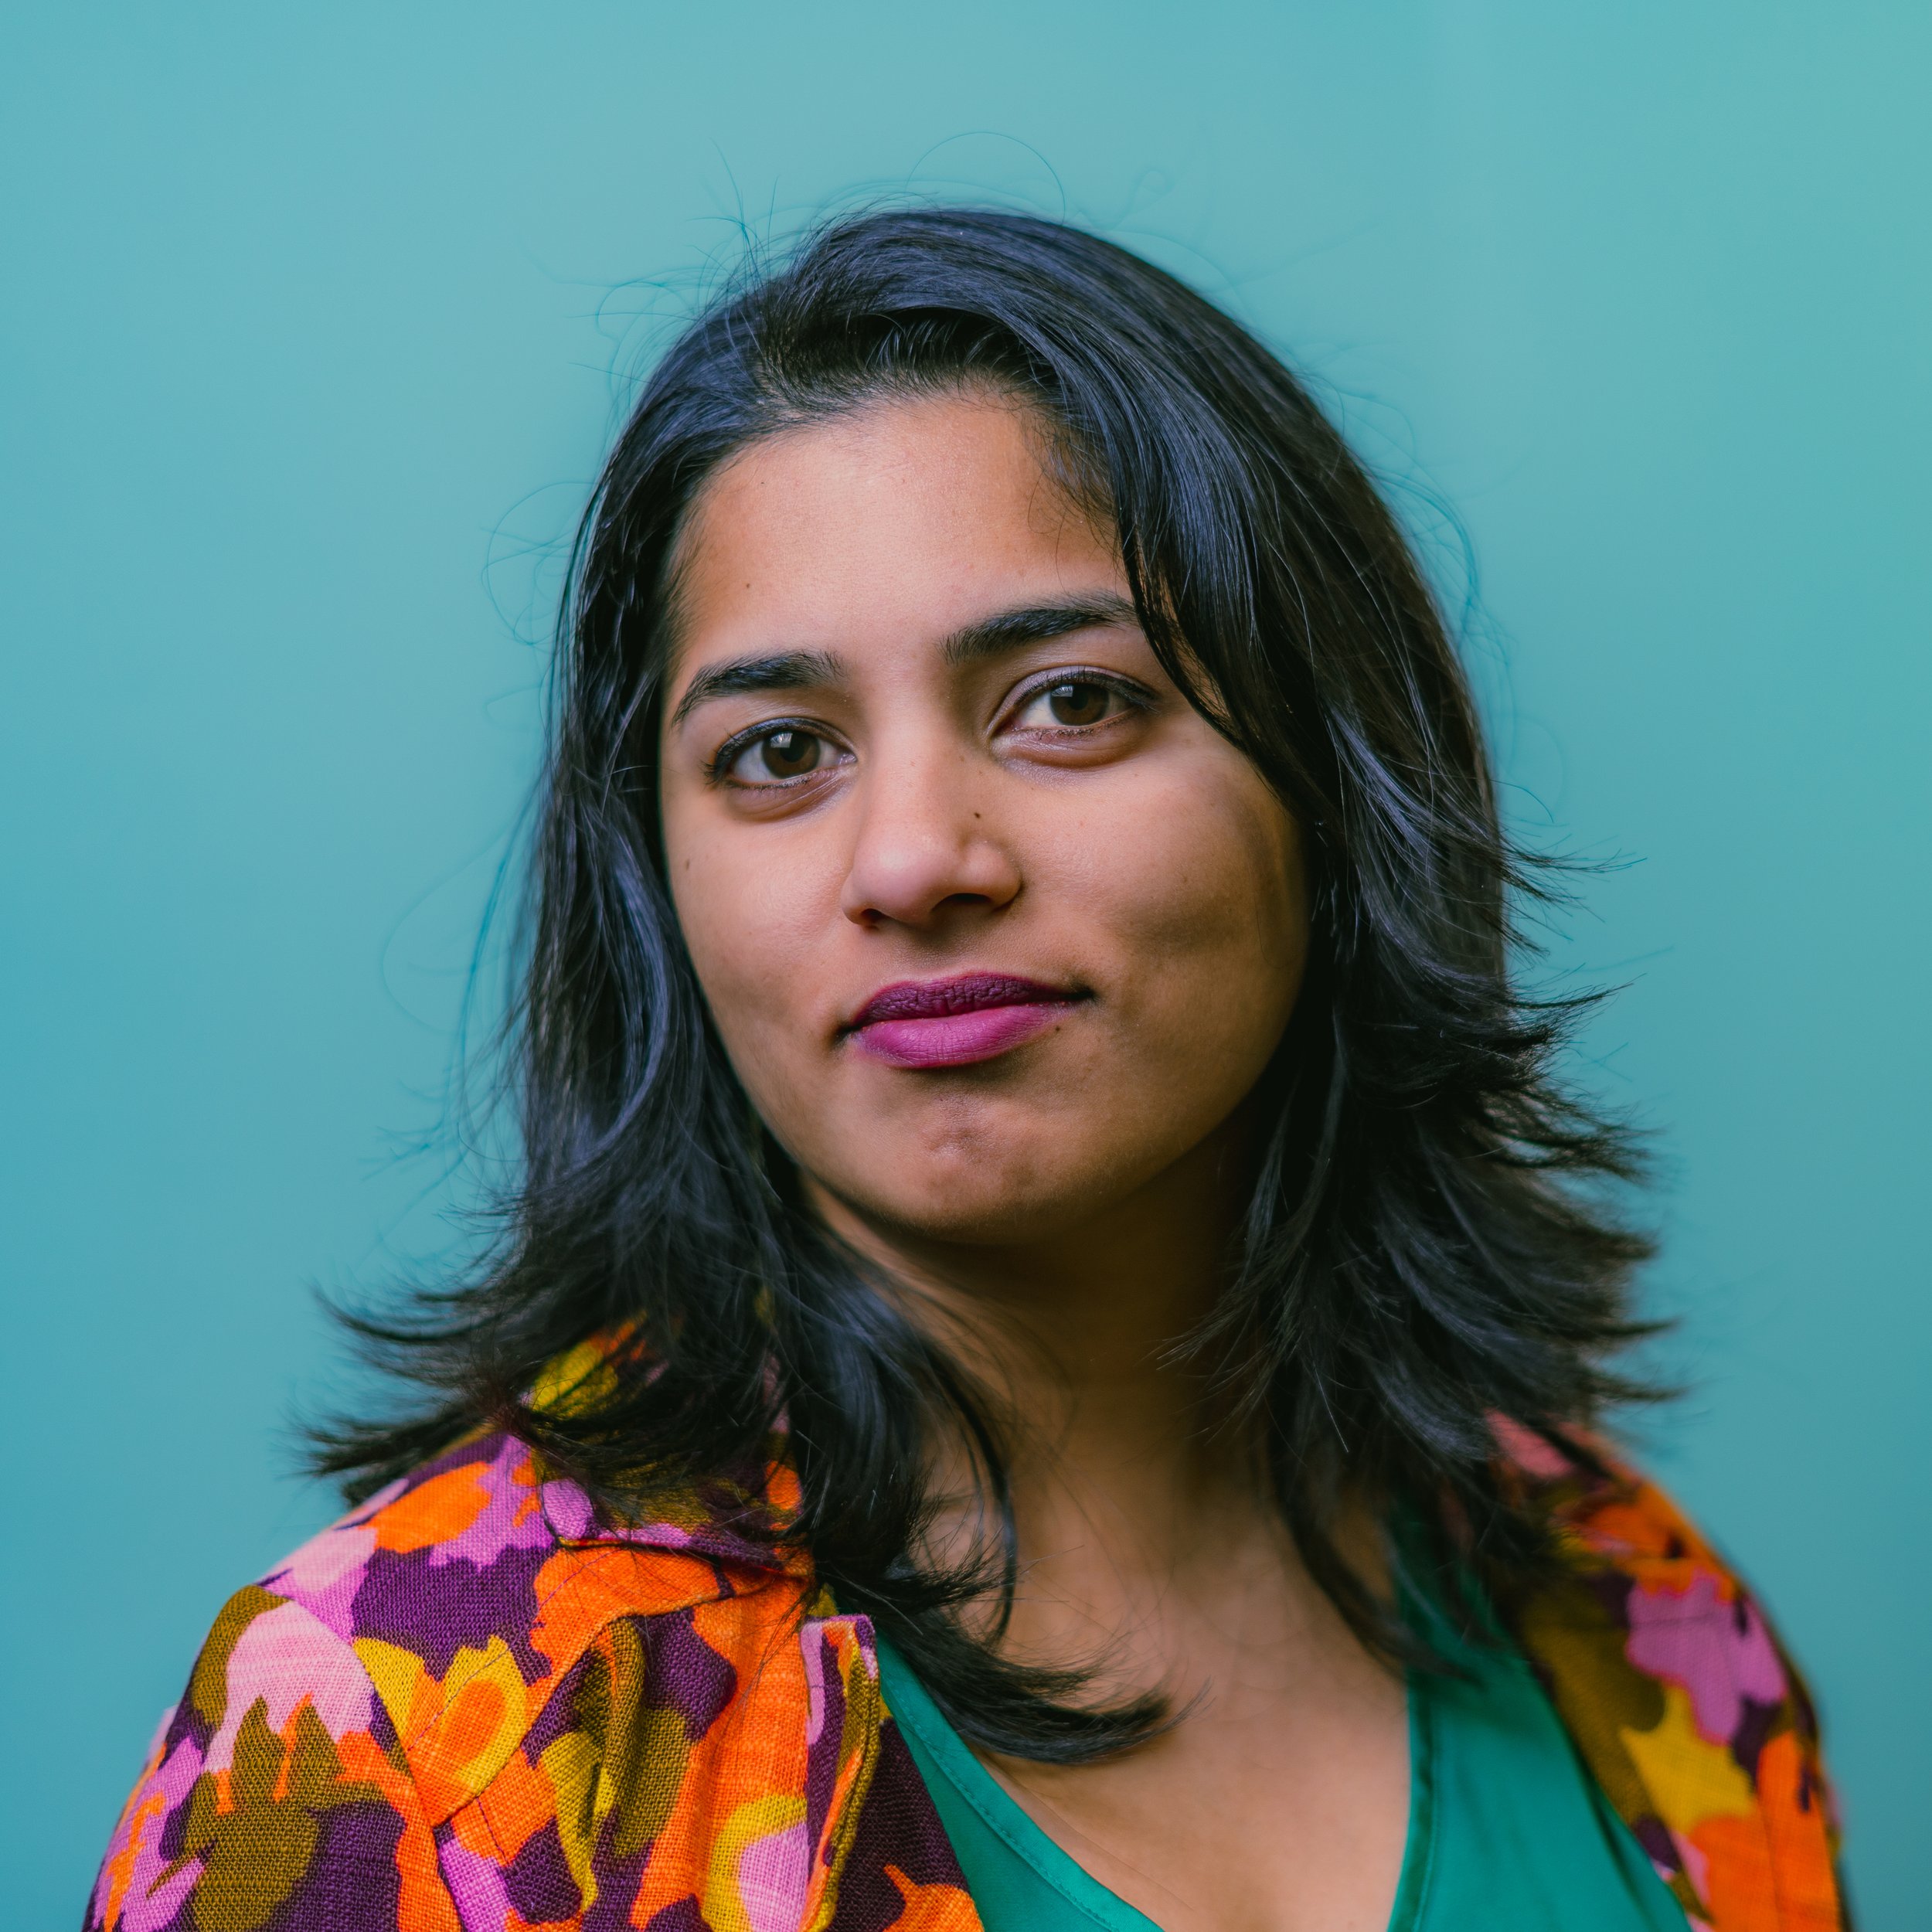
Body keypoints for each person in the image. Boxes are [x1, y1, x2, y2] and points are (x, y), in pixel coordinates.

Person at [84, 209, 1845, 1932]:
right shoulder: (406, 1728)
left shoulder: (1633, 1615)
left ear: (1332, 786)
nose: (914, 856)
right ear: (660, 884)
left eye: (1066, 701)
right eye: (778, 751)